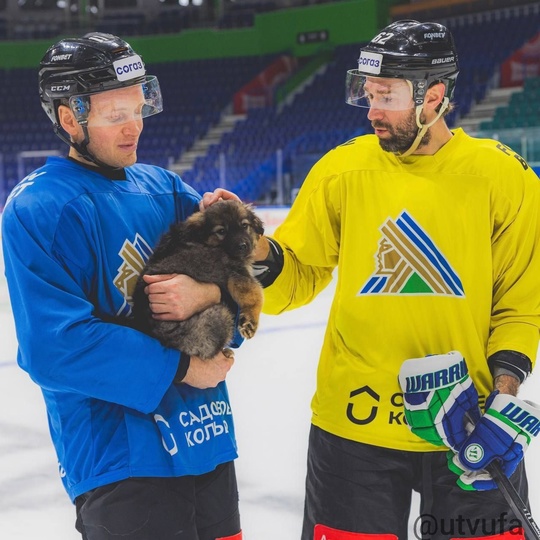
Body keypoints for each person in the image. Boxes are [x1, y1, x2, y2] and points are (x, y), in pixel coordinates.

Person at [242, 19, 540, 540]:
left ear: (435, 97)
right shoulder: (341, 170)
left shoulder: (503, 177)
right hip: (354, 428)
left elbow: (521, 304)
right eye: (368, 93)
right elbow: (299, 279)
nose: (372, 110)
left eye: (388, 96)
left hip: (469, 428)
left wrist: (504, 396)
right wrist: (261, 256)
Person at [1, 32, 244, 540]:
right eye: (116, 115)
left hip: (207, 437)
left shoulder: (166, 187)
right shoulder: (39, 207)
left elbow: (234, 281)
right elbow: (54, 347)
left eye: (139, 107)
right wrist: (182, 365)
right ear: (70, 118)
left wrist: (216, 297)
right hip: (120, 460)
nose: (135, 126)